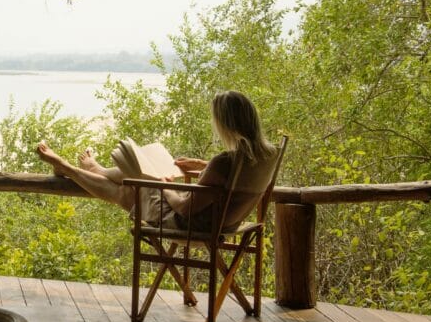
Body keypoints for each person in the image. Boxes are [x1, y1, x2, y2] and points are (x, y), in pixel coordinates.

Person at [35, 90, 278, 230]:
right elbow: (236, 179)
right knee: (138, 174)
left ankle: (67, 168)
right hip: (225, 224)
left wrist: (162, 183)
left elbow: (184, 207)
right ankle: (94, 169)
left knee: (128, 192)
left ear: (226, 123)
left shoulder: (224, 162)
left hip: (191, 227)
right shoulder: (266, 156)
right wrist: (204, 165)